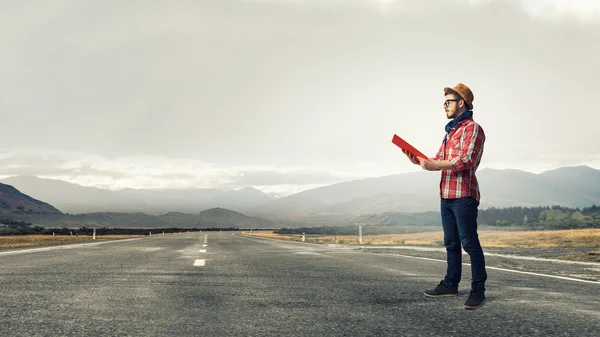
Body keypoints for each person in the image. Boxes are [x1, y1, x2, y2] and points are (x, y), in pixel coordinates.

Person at [402, 83, 487, 310]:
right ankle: (451, 284)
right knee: (451, 243)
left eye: (448, 102)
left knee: (469, 243)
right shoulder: (450, 131)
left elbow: (467, 159)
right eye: (444, 102)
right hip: (446, 194)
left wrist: (434, 164)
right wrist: (418, 160)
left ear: (461, 103)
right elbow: (439, 159)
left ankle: (478, 290)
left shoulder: (473, 129)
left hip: (464, 195)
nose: (444, 106)